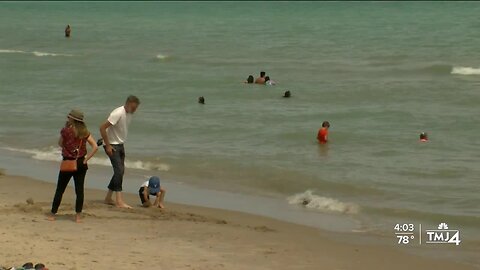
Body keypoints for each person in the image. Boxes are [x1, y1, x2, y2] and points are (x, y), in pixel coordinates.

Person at [48, 110, 98, 223]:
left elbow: (60, 143)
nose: (67, 118)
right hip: (81, 163)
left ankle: (52, 214)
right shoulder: (85, 132)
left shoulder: (66, 131)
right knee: (79, 190)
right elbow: (95, 147)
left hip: (68, 162)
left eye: (69, 117)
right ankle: (78, 216)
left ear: (72, 119)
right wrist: (86, 159)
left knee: (60, 189)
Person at [100, 95, 140, 209]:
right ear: (127, 104)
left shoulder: (129, 114)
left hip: (120, 144)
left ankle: (108, 198)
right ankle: (119, 201)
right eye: (133, 108)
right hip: (112, 145)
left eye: (136, 108)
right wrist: (107, 145)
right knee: (119, 171)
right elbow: (102, 127)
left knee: (120, 171)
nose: (134, 110)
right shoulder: (117, 113)